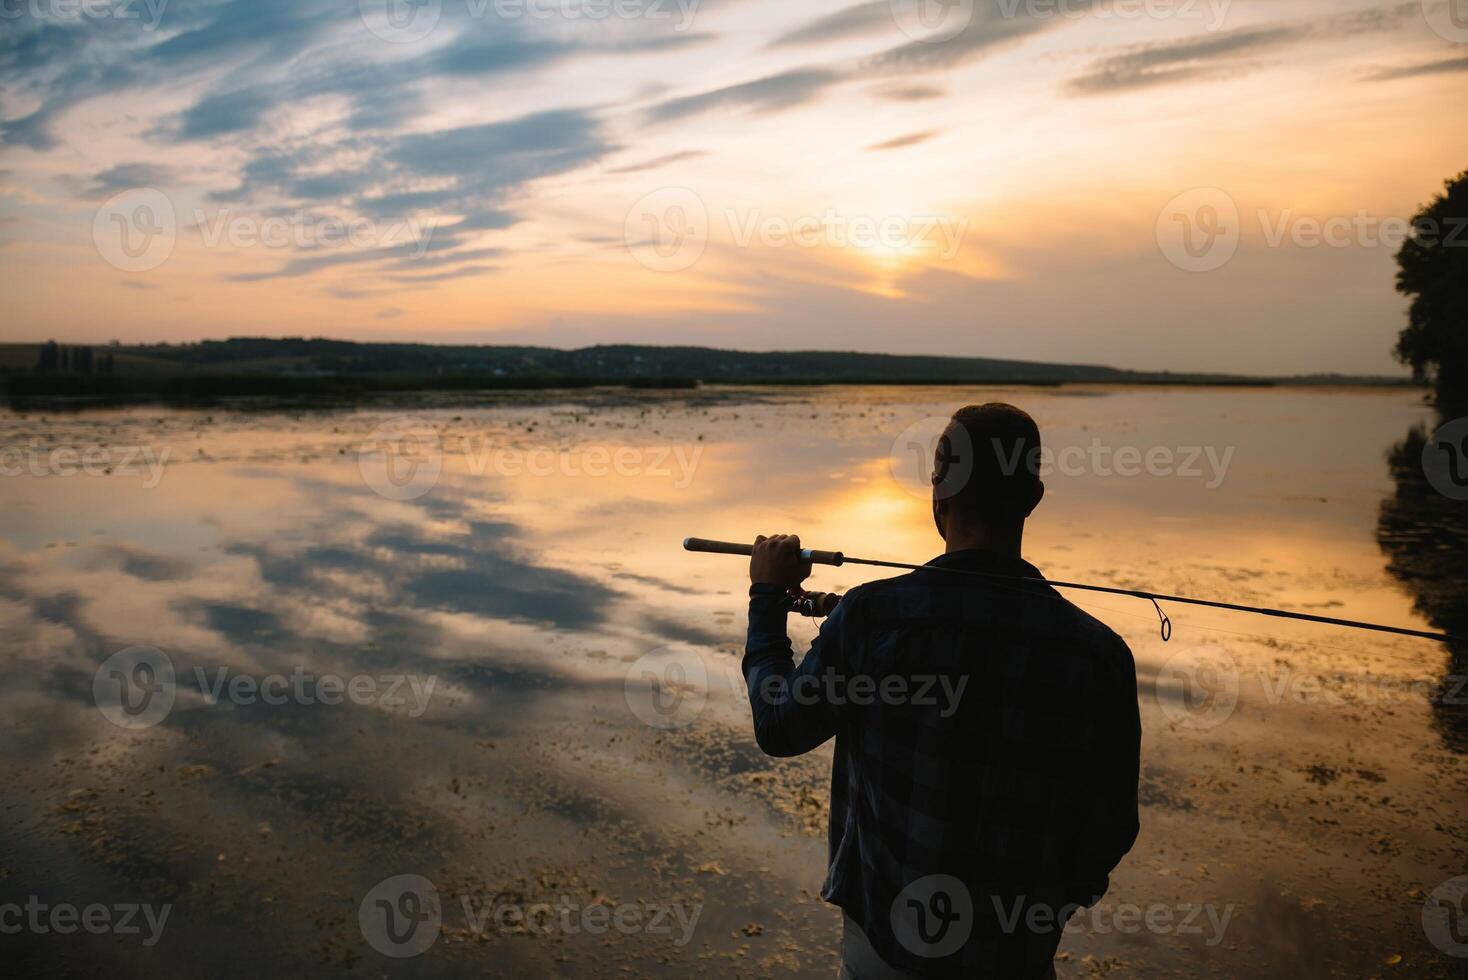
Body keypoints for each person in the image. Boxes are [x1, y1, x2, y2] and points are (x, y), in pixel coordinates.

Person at [742, 403, 1141, 980]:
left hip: (885, 954)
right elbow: (1109, 829)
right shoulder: (1099, 655)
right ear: (1033, 497)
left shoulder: (872, 618)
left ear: (939, 496)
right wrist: (1049, 905)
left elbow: (778, 727)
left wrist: (765, 600)